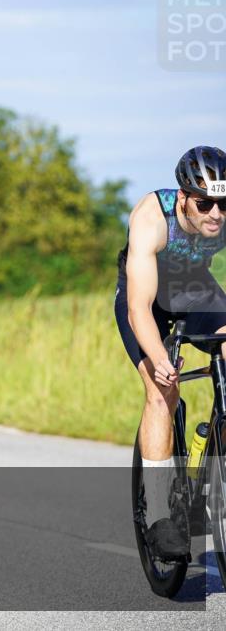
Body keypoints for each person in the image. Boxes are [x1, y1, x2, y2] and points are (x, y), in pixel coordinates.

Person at [115, 145, 226, 558]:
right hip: (148, 300)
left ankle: (215, 450)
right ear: (183, 197)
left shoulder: (223, 214)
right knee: (162, 391)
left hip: (195, 289)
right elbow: (138, 308)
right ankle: (161, 515)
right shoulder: (152, 217)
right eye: (204, 204)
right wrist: (160, 360)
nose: (215, 213)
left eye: (223, 204)